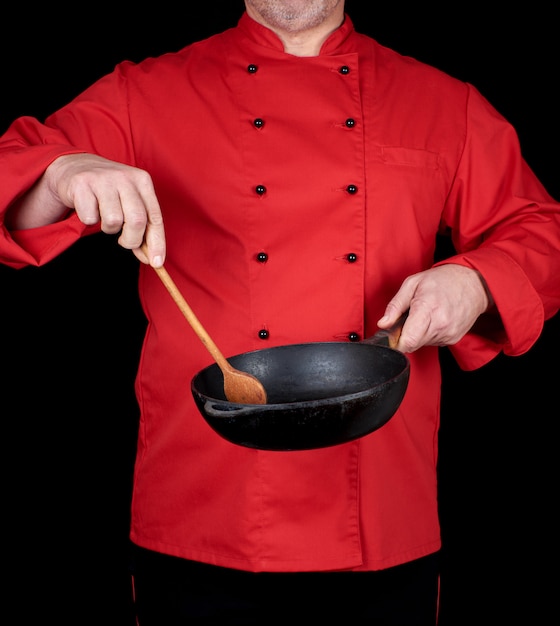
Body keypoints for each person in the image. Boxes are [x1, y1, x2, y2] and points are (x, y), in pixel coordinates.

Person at [1, 1, 559, 623]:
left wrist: (475, 282)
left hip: (380, 512)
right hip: (203, 510)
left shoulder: (443, 101)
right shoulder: (144, 93)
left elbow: (539, 233)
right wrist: (63, 170)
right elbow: (9, 178)